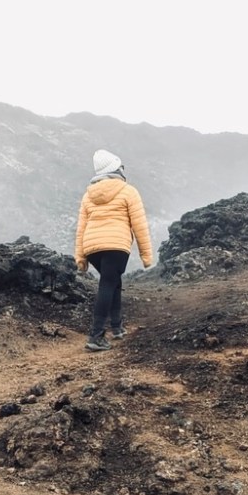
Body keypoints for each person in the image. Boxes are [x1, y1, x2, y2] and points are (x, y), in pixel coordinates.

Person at [75, 149, 153, 351]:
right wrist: (146, 255)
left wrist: (81, 257)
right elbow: (139, 225)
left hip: (92, 248)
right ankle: (96, 336)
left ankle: (117, 327)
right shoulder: (128, 191)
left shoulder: (88, 195)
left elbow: (81, 227)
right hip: (116, 246)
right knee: (108, 284)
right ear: (116, 169)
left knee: (113, 281)